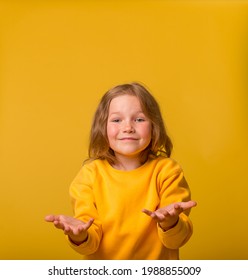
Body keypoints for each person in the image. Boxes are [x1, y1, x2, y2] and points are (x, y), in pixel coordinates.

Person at [45, 82, 197, 260]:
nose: (128, 127)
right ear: (103, 127)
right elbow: (89, 243)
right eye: (117, 120)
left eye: (139, 119)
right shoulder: (89, 176)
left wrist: (171, 223)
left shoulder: (168, 171)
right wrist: (79, 236)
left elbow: (175, 241)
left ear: (154, 126)